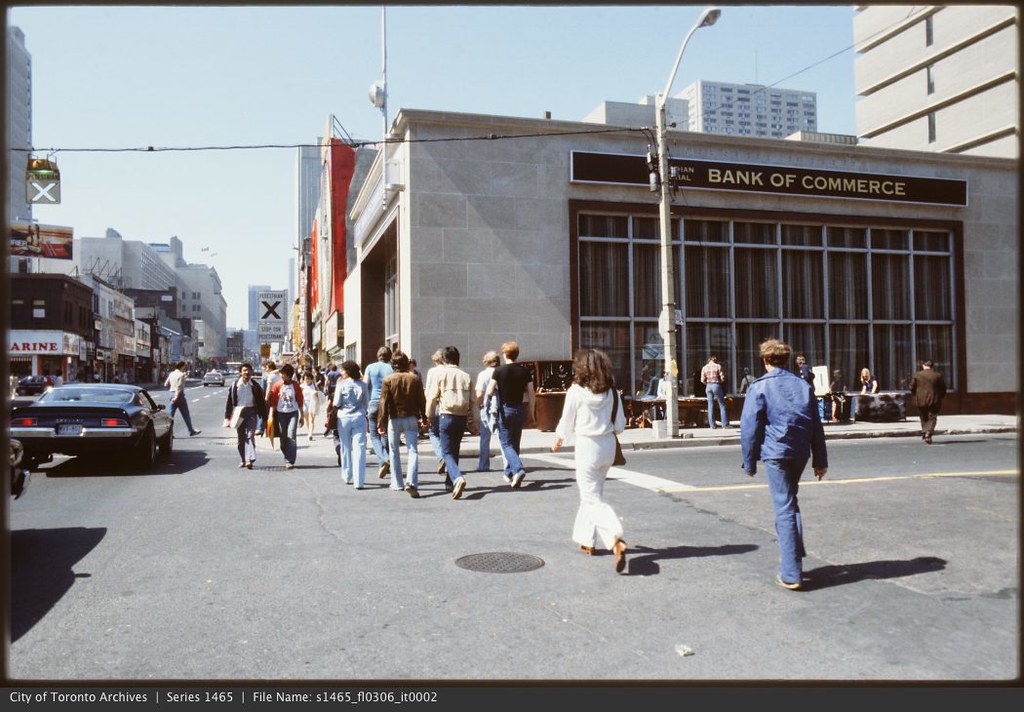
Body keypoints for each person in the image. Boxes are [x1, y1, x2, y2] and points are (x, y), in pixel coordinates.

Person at [740, 339, 828, 591]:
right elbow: (816, 425)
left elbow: (749, 428)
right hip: (800, 452)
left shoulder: (759, 387)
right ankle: (795, 555)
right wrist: (820, 460)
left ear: (765, 360)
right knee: (790, 501)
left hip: (775, 452)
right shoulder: (802, 385)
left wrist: (749, 462)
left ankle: (791, 572)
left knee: (784, 506)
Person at [551, 349, 628, 574]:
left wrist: (559, 440)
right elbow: (620, 425)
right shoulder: (612, 392)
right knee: (594, 494)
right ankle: (587, 540)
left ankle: (615, 536)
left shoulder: (575, 391)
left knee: (591, 497)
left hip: (587, 446)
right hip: (607, 446)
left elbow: (567, 421)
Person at [426, 346, 479, 500]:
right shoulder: (466, 376)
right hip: (461, 417)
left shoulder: (440, 374)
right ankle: (450, 482)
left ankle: (457, 478)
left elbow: (431, 397)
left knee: (446, 451)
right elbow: (474, 402)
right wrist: (475, 421)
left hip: (446, 415)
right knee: (455, 450)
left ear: (444, 359)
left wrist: (429, 415)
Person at [485, 341, 535, 488]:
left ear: (504, 354)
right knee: (515, 442)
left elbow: (489, 390)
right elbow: (532, 394)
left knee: (506, 443)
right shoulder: (524, 371)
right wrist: (531, 412)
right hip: (519, 408)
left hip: (505, 409)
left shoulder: (499, 371)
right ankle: (509, 473)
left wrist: (488, 405)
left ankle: (518, 469)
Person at [377, 349, 427, 498]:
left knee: (394, 451)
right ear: (407, 363)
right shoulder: (414, 379)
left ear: (393, 364)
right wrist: (424, 417)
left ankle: (397, 482)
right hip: (411, 418)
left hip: (394, 418)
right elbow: (421, 400)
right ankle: (411, 482)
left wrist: (381, 422)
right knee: (412, 451)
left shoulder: (388, 380)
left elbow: (383, 403)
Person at [222, 363, 268, 469]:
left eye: (248, 370)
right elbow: (229, 403)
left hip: (251, 412)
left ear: (251, 372)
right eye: (244, 371)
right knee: (241, 438)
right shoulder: (235, 386)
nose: (246, 373)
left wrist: (264, 418)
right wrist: (227, 418)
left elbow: (261, 403)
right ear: (240, 373)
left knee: (250, 435)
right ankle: (243, 459)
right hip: (239, 413)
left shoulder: (256, 386)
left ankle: (249, 459)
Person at [333, 360, 369, 487]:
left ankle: (347, 475)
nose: (341, 372)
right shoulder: (363, 385)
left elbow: (336, 402)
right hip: (359, 416)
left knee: (345, 446)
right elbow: (366, 403)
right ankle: (359, 481)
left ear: (347, 371)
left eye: (342, 370)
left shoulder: (341, 384)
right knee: (360, 447)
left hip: (343, 417)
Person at [266, 363, 303, 470]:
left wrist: (301, 416)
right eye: (281, 374)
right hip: (281, 413)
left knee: (291, 436)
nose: (282, 376)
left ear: (289, 375)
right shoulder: (277, 385)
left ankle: (289, 460)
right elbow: (273, 402)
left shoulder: (295, 386)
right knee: (283, 438)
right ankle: (286, 452)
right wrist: (270, 416)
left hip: (293, 413)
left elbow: (300, 400)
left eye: (284, 374)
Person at [364, 346, 394, 479]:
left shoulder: (370, 367)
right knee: (385, 433)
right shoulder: (392, 368)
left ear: (378, 355)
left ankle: (384, 459)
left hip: (373, 402)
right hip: (387, 404)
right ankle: (384, 462)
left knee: (374, 434)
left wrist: (365, 404)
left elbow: (365, 385)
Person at [423, 349, 450, 487]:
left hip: (434, 404)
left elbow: (428, 391)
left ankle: (441, 457)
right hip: (445, 405)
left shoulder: (432, 372)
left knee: (433, 432)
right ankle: (446, 457)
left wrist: (426, 410)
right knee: (444, 433)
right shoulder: (447, 370)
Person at [475, 350, 500, 472]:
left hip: (487, 407)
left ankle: (484, 464)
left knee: (485, 438)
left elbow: (479, 393)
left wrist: (480, 404)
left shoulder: (483, 375)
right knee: (503, 437)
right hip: (500, 407)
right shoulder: (502, 372)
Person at [910, 360, 947, 444]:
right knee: (932, 417)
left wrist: (916, 395)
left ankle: (924, 432)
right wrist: (941, 396)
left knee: (923, 416)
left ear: (923, 366)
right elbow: (943, 388)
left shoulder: (917, 375)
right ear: (932, 366)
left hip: (920, 399)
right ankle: (928, 433)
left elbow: (912, 387)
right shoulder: (937, 375)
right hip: (934, 399)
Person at [164, 361, 200, 436]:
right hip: (179, 396)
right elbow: (179, 387)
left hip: (171, 394)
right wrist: (176, 396)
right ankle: (191, 431)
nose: (185, 368)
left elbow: (166, 384)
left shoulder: (171, 373)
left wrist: (171, 391)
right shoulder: (182, 375)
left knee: (170, 416)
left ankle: (168, 433)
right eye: (185, 366)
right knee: (185, 414)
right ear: (182, 366)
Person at [700, 355, 730, 429]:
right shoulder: (718, 366)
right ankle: (724, 424)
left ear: (709, 360)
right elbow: (722, 378)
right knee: (722, 404)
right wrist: (719, 382)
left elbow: (702, 380)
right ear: (715, 360)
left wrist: (707, 383)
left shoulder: (704, 367)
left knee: (710, 405)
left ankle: (712, 425)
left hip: (708, 386)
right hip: (716, 385)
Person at [299, 372, 324, 441]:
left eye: (308, 379)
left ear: (311, 379)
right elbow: (299, 396)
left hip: (313, 404)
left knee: (311, 420)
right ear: (303, 379)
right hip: (305, 404)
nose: (307, 380)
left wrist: (316, 394)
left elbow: (319, 394)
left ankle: (310, 434)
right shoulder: (302, 386)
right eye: (306, 379)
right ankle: (309, 431)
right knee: (307, 420)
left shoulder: (314, 386)